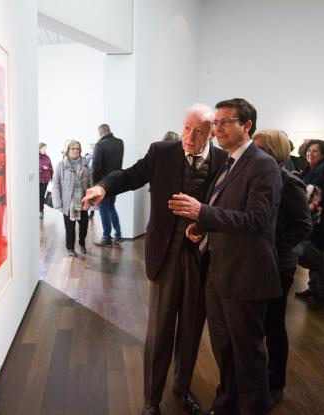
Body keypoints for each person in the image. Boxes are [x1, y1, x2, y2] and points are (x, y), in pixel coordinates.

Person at [83, 104, 227, 415]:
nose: (190, 136)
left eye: (199, 131)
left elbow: (226, 209)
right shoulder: (162, 152)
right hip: (166, 254)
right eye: (187, 128)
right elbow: (130, 175)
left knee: (191, 329)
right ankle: (151, 399)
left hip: (203, 259)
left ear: (212, 133)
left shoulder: (223, 161)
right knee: (160, 330)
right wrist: (103, 187)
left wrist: (204, 227)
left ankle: (181, 386)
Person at [169, 98, 282, 415]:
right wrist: (202, 228)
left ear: (246, 126)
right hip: (219, 272)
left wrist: (202, 212)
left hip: (246, 277)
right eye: (214, 123)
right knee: (224, 351)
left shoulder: (263, 165)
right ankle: (225, 405)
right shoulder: (230, 162)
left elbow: (257, 222)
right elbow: (227, 214)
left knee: (247, 356)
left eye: (223, 123)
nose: (215, 129)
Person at [253, 130, 312, 406]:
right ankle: (257, 377)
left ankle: (275, 382)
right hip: (257, 262)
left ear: (274, 150)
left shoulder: (289, 183)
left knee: (274, 324)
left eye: (261, 147)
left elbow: (303, 225)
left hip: (279, 265)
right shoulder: (257, 177)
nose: (255, 151)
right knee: (256, 323)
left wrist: (273, 246)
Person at [294, 139, 324, 309]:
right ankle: (313, 289)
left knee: (319, 258)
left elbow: (318, 198)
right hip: (311, 220)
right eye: (309, 151)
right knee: (314, 256)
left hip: (319, 221)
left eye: (315, 151)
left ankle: (323, 294)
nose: (310, 154)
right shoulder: (311, 169)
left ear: (323, 154)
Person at [52, 140, 93, 257]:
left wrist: (91, 199)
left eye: (77, 149)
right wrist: (58, 204)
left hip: (83, 201)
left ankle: (82, 243)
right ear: (68, 150)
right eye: (73, 149)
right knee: (70, 228)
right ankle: (70, 247)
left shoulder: (85, 164)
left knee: (84, 226)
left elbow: (90, 183)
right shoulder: (61, 165)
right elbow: (56, 185)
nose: (75, 151)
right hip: (68, 202)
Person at [92, 123, 124, 246]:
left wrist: (95, 185)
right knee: (111, 207)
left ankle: (106, 238)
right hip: (116, 181)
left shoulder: (99, 145)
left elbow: (96, 167)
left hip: (103, 183)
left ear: (100, 133)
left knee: (104, 209)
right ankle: (118, 235)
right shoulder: (119, 142)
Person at [39, 142, 54, 219]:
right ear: (39, 149)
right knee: (38, 196)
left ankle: (41, 211)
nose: (44, 150)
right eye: (43, 148)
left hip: (46, 179)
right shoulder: (36, 157)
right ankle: (42, 204)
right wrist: (42, 167)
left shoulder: (47, 157)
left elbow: (51, 168)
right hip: (38, 180)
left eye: (45, 148)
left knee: (41, 195)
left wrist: (52, 179)